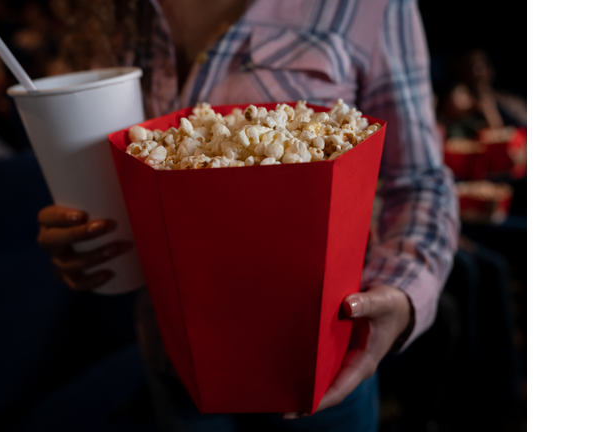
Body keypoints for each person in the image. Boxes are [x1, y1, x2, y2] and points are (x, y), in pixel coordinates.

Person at [36, 0, 459, 430]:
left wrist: (404, 291)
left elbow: (420, 180)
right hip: (175, 356)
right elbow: (125, 174)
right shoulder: (113, 12)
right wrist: (88, 231)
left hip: (317, 357)